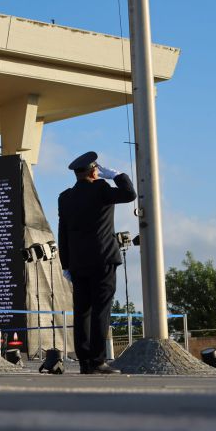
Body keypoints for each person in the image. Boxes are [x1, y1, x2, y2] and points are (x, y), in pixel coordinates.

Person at [58, 151, 136, 375]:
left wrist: (66, 264)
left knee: (82, 311)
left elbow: (63, 233)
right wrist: (118, 175)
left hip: (77, 263)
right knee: (101, 310)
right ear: (94, 171)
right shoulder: (101, 189)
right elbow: (129, 194)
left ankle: (85, 362)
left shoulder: (65, 197)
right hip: (103, 260)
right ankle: (98, 360)